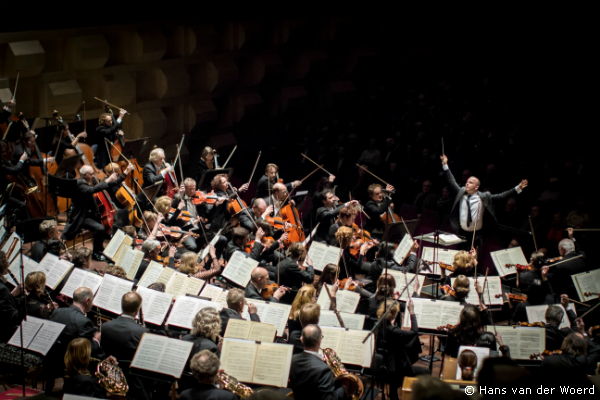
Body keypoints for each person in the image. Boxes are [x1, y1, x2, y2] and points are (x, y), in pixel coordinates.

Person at [439, 154, 527, 242]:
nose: (467, 184)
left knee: (474, 255)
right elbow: (451, 181)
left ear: (476, 187)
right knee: (460, 255)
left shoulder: (484, 196)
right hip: (461, 232)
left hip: (476, 235)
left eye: (470, 182)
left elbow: (502, 196)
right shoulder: (461, 191)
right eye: (467, 182)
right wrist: (445, 165)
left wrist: (518, 188)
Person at [61, 163, 134, 261]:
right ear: (85, 175)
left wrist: (121, 175)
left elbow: (112, 184)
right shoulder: (79, 184)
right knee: (100, 228)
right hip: (80, 216)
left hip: (90, 214)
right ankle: (95, 253)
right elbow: (92, 190)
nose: (93, 176)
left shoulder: (87, 181)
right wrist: (107, 180)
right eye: (91, 174)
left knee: (115, 219)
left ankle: (101, 249)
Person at [47, 287, 101, 393]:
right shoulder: (85, 321)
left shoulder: (57, 312)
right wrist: (96, 341)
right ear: (87, 301)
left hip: (53, 358)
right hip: (71, 363)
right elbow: (87, 350)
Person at [100, 291, 150, 400]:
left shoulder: (105, 327)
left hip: (110, 379)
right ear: (137, 310)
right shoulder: (143, 332)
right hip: (134, 383)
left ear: (122, 306)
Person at [377, 297, 428, 400]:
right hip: (396, 367)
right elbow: (414, 332)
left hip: (385, 363)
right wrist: (412, 313)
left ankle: (393, 394)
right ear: (394, 314)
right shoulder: (394, 331)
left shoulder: (379, 326)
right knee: (426, 371)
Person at [288, 324, 348, 400]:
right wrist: (344, 388)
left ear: (301, 340)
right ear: (319, 341)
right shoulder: (324, 369)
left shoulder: (292, 359)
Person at [181, 307, 222, 384]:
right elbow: (211, 377)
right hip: (200, 387)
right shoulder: (212, 347)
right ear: (215, 326)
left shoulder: (184, 339)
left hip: (182, 384)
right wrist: (220, 353)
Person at [546, 228, 589, 299]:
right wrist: (572, 237)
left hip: (568, 295)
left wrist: (540, 270)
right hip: (583, 291)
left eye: (559, 249)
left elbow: (550, 278)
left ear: (563, 249)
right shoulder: (582, 256)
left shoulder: (560, 265)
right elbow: (578, 248)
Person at [0, 250, 25, 343]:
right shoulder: (3, 289)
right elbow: (13, 318)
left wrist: (11, 295)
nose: (8, 263)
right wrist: (25, 301)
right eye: (6, 261)